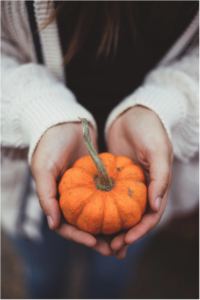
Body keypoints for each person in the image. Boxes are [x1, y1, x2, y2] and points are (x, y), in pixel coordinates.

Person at [0, 0, 200, 299]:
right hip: (33, 172)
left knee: (111, 275)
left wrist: (165, 105)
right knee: (44, 273)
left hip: (144, 178)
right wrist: (38, 112)